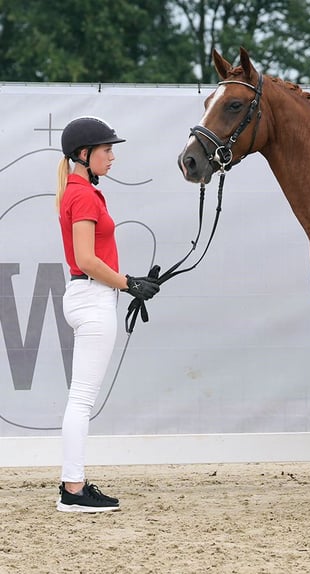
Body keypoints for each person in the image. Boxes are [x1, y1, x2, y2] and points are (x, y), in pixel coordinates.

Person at [55, 116, 160, 512]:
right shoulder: (82, 195)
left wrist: (126, 282)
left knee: (79, 399)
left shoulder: (80, 191)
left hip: (90, 294)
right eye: (106, 150)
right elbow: (85, 258)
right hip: (93, 298)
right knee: (81, 401)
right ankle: (74, 490)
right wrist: (128, 283)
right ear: (84, 155)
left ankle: (73, 483)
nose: (112, 157)